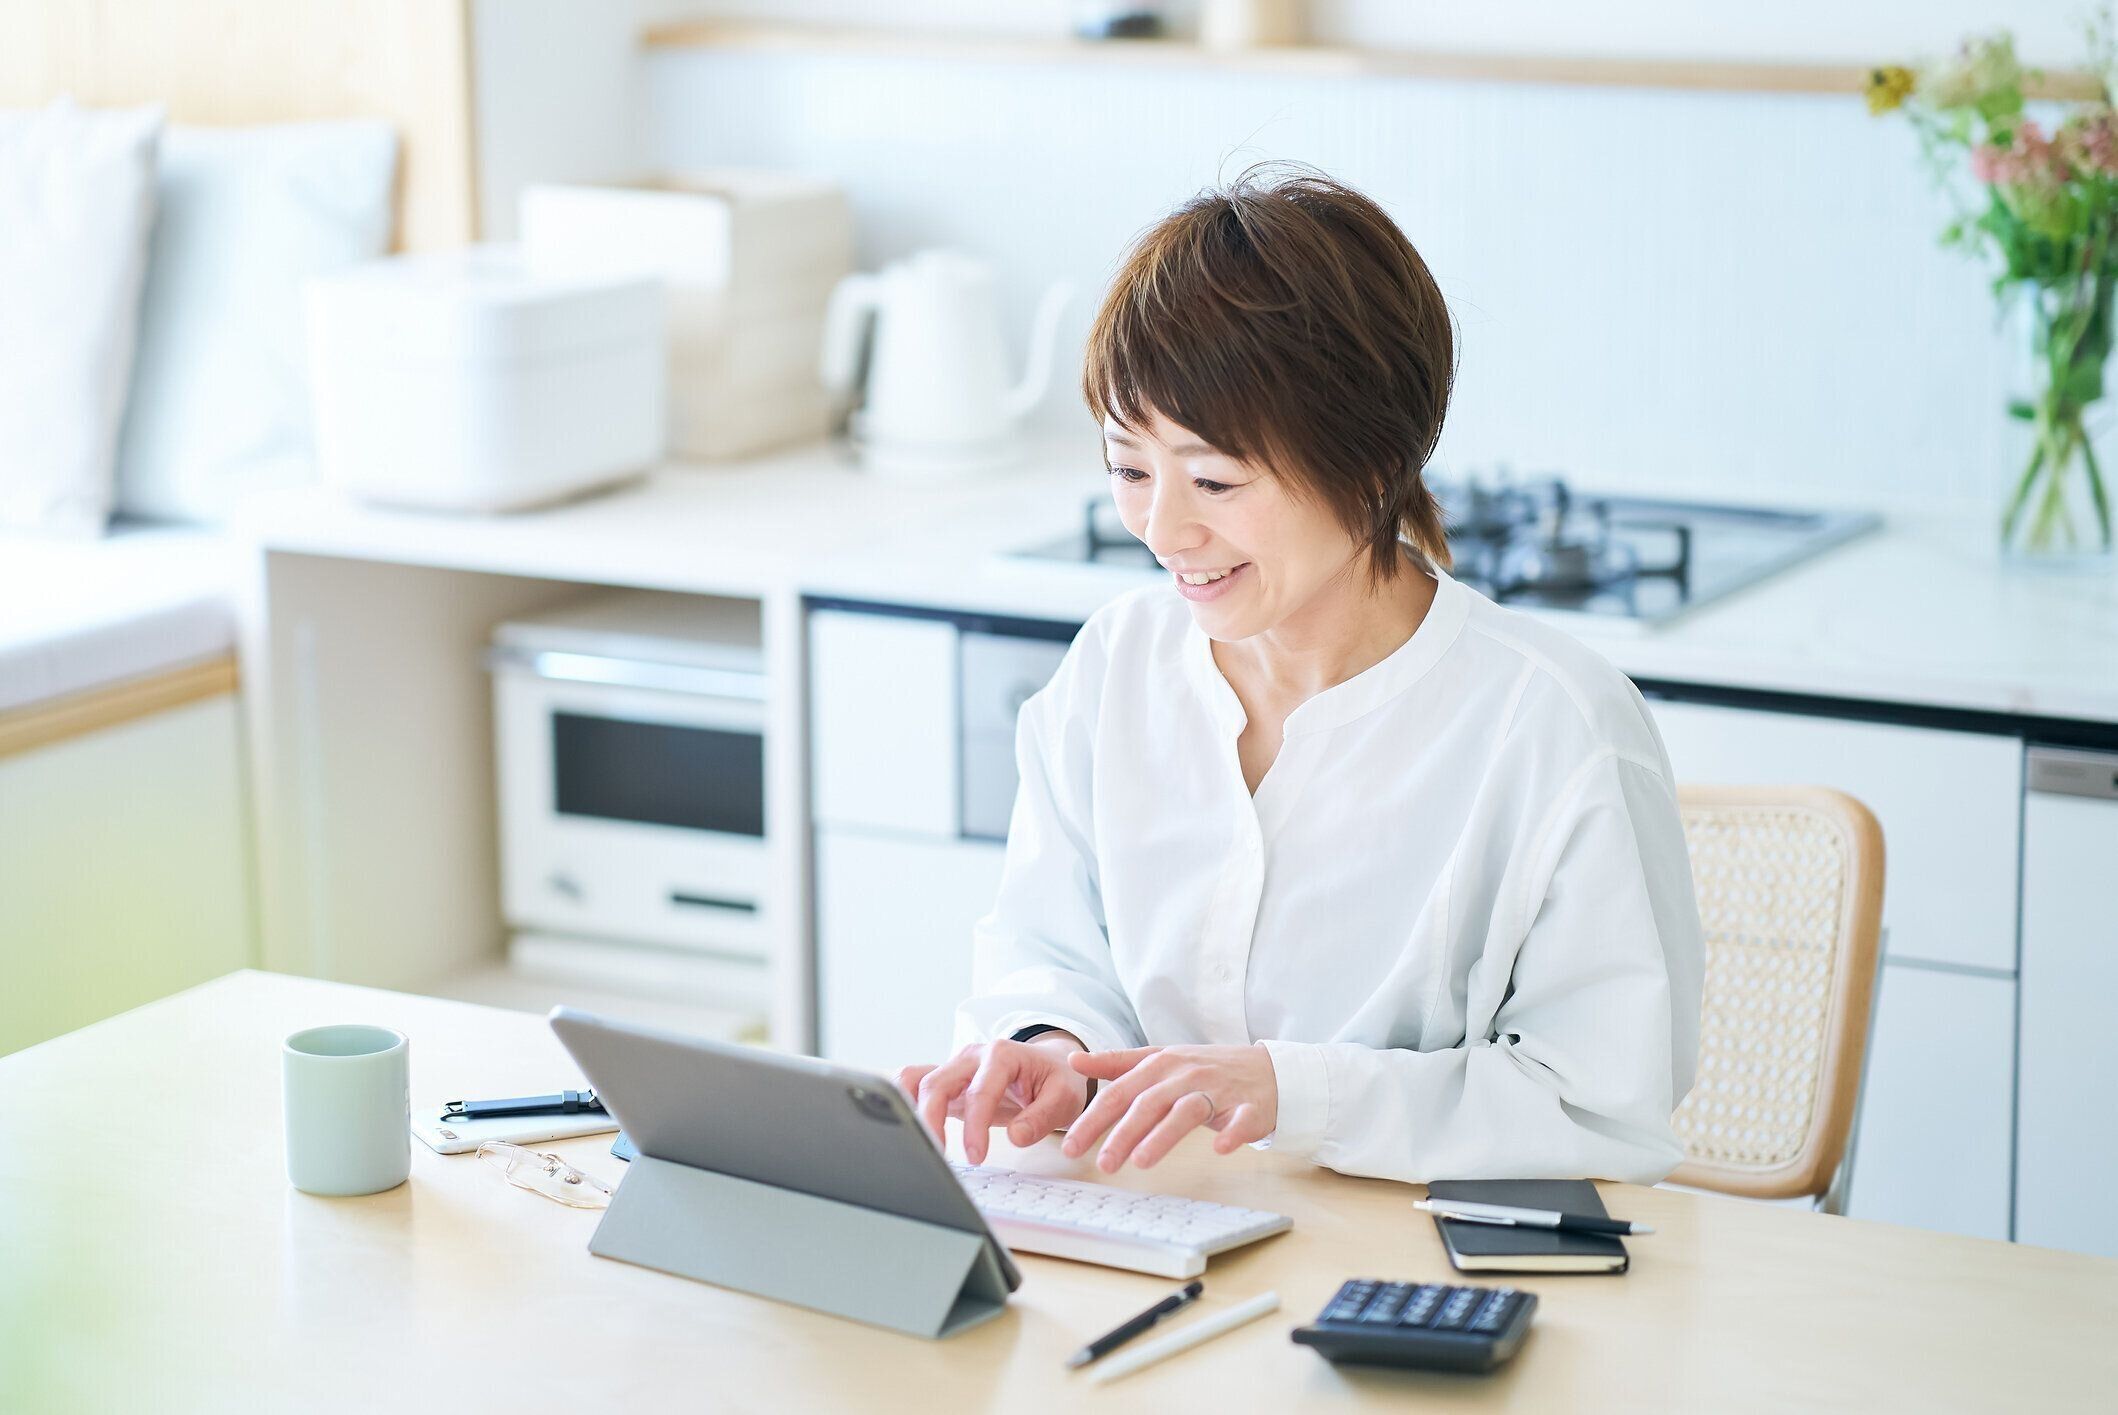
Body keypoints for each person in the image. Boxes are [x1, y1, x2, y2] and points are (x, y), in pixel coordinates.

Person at [897, 160, 1703, 1187]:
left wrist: (1296, 1092)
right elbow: (1046, 944)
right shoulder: (1115, 667)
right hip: (1160, 1240)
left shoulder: (1554, 728)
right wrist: (1051, 1049)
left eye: (1216, 480)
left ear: (1369, 464)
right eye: (1130, 469)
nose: (1163, 528)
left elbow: (1605, 1108)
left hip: (1417, 1288)